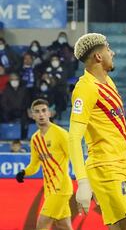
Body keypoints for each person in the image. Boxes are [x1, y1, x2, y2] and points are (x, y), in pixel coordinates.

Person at [68, 33, 126, 230]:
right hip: (107, 169)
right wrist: (82, 182)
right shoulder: (85, 89)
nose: (113, 52)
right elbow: (73, 138)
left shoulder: (108, 83)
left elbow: (109, 127)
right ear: (98, 57)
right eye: (108, 49)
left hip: (122, 166)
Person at [15, 98, 73, 229]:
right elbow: (34, 165)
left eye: (44, 111)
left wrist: (85, 181)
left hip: (61, 188)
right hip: (49, 190)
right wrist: (24, 172)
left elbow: (75, 157)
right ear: (32, 115)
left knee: (42, 225)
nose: (41, 114)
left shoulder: (61, 134)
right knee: (63, 226)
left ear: (49, 113)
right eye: (37, 111)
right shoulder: (35, 139)